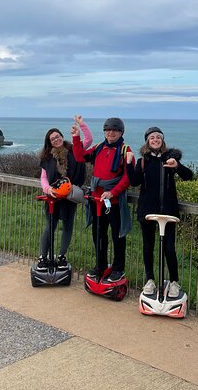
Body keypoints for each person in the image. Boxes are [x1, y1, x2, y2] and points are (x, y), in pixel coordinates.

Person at [126, 126, 193, 298]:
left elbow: (188, 176)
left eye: (158, 137)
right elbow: (133, 181)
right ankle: (150, 280)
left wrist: (176, 166)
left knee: (169, 249)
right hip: (147, 211)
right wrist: (128, 164)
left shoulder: (170, 159)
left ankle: (174, 282)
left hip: (168, 211)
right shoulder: (143, 161)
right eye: (152, 138)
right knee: (148, 248)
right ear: (147, 141)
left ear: (162, 140)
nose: (155, 140)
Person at [72, 117, 133, 282]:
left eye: (115, 130)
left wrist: (113, 192)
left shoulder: (125, 151)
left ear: (121, 132)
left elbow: (127, 178)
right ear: (105, 131)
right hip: (97, 201)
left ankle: (118, 269)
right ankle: (100, 266)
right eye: (108, 130)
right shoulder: (99, 147)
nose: (111, 133)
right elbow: (79, 157)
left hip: (113, 202)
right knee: (98, 235)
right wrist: (76, 137)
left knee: (117, 236)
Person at [37, 116, 93, 270]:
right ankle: (43, 257)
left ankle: (61, 256)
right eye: (52, 139)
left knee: (68, 227)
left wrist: (81, 125)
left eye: (58, 136)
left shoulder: (75, 150)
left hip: (70, 197)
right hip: (53, 198)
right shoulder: (47, 158)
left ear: (62, 137)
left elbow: (89, 139)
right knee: (49, 227)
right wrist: (48, 189)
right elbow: (43, 178)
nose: (56, 140)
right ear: (49, 142)